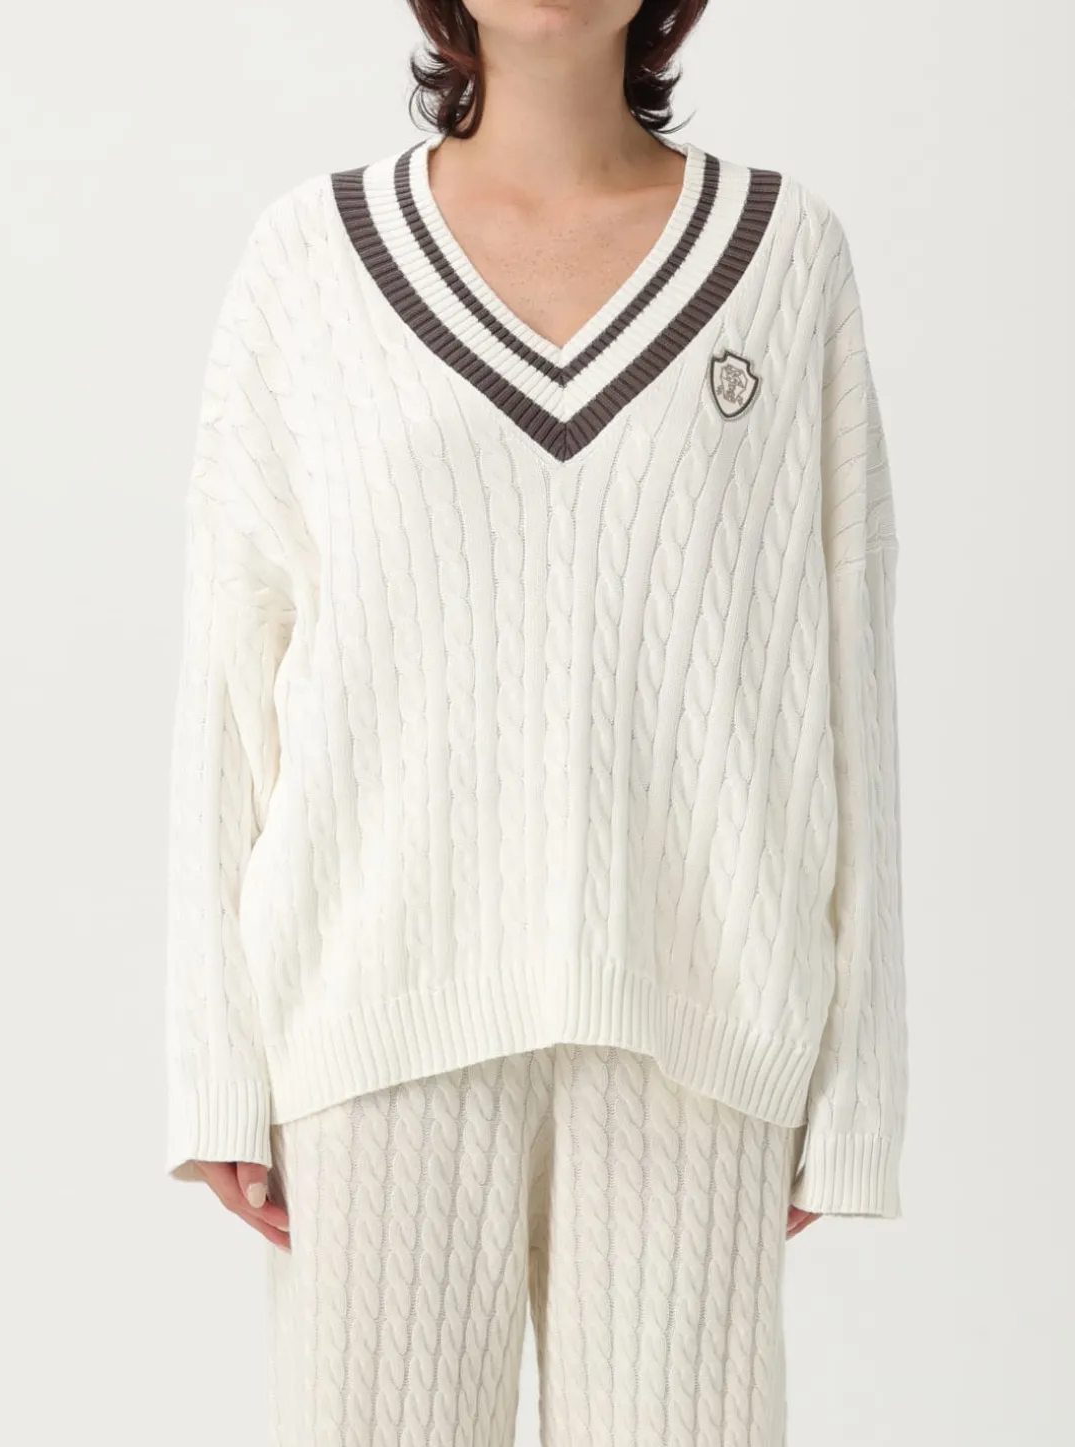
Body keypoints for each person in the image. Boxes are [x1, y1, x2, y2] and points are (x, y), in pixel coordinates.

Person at [164, 1, 908, 1442]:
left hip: (698, 1022)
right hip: (372, 1022)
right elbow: (228, 680)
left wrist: (856, 1086)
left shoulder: (784, 258)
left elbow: (848, 677)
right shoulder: (309, 263)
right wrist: (216, 1076)